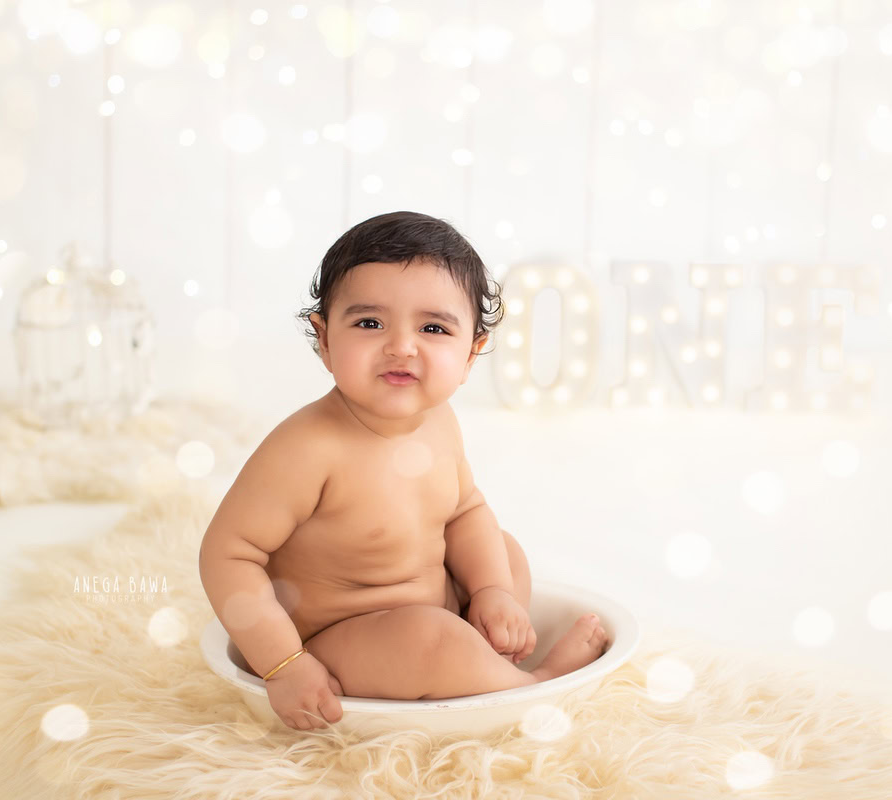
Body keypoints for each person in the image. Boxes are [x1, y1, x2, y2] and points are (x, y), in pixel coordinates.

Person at [199, 211, 608, 732]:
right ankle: (532, 684)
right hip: (340, 642)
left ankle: (482, 664)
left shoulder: (440, 421)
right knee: (428, 641)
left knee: (500, 552)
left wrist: (490, 594)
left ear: (471, 354)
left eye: (433, 327)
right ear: (323, 338)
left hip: (434, 612)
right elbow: (228, 553)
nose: (402, 346)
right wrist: (284, 663)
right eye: (370, 323)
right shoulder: (306, 448)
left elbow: (464, 510)